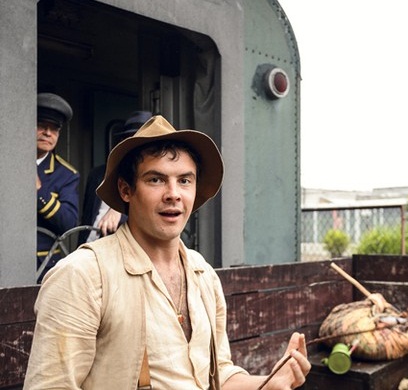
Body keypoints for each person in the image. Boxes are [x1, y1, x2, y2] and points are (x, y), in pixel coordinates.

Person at [24, 115, 311, 389]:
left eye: (185, 180)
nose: (173, 193)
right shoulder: (82, 275)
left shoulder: (203, 275)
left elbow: (218, 373)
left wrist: (268, 382)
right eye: (156, 180)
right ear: (126, 190)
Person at [79, 111, 153, 244]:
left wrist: (118, 210)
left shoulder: (154, 178)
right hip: (89, 250)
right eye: (130, 140)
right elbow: (86, 218)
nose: (134, 148)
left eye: (141, 142)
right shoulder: (97, 174)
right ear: (121, 143)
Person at [35, 92, 80, 283]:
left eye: (54, 129)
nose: (48, 133)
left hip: (43, 264)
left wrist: (40, 192)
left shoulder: (66, 174)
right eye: (42, 126)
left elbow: (69, 223)